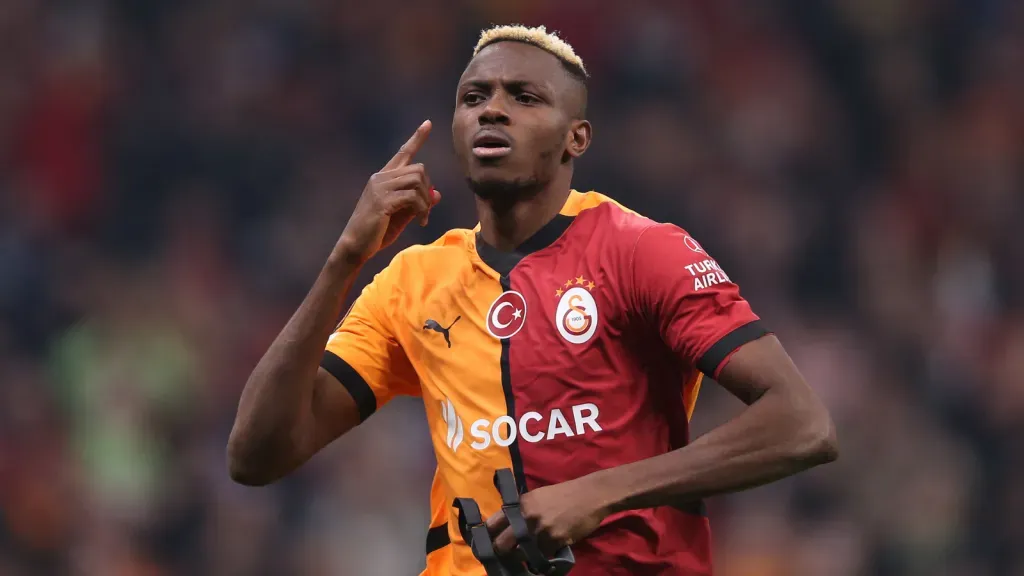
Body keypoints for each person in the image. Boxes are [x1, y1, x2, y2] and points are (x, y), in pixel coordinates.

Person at [227, 24, 838, 575]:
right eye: (475, 97)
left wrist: (600, 492)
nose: (494, 110)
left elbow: (802, 425)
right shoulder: (411, 282)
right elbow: (257, 456)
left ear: (577, 138)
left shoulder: (641, 251)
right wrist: (344, 261)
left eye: (525, 97)